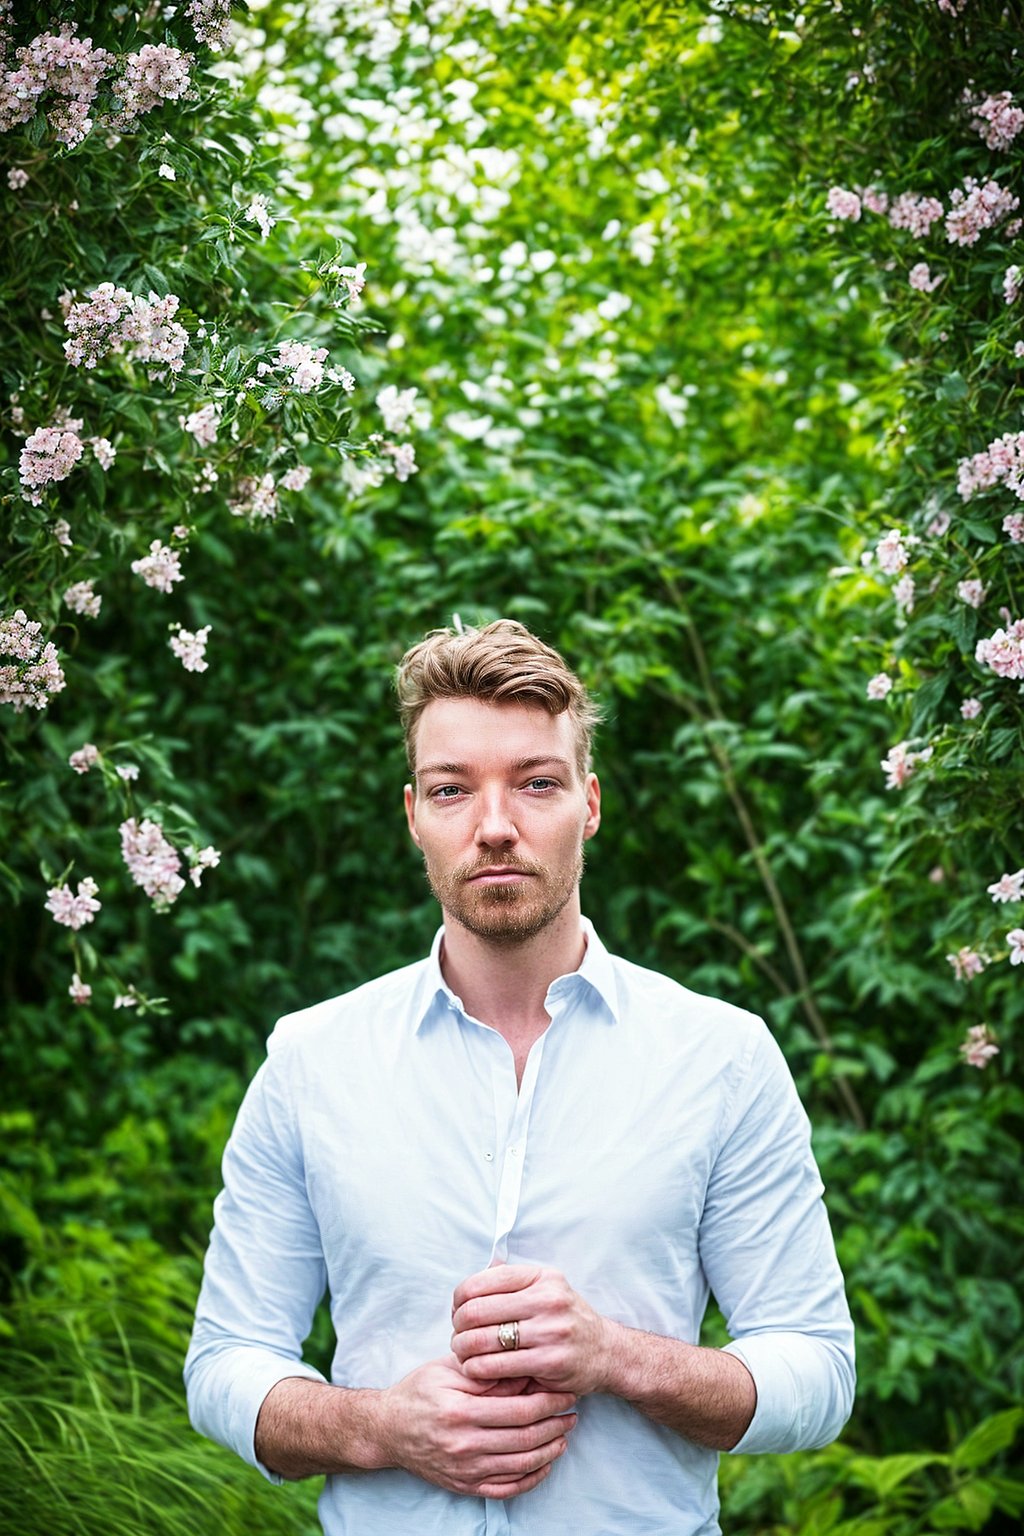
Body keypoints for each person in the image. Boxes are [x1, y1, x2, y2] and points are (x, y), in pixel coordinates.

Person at [184, 617, 855, 1535]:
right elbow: (226, 1363)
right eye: (453, 789)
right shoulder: (310, 1062)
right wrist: (379, 1427)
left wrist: (618, 1357)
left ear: (590, 802)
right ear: (414, 812)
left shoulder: (723, 1059)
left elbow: (817, 1370)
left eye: (536, 783)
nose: (495, 826)